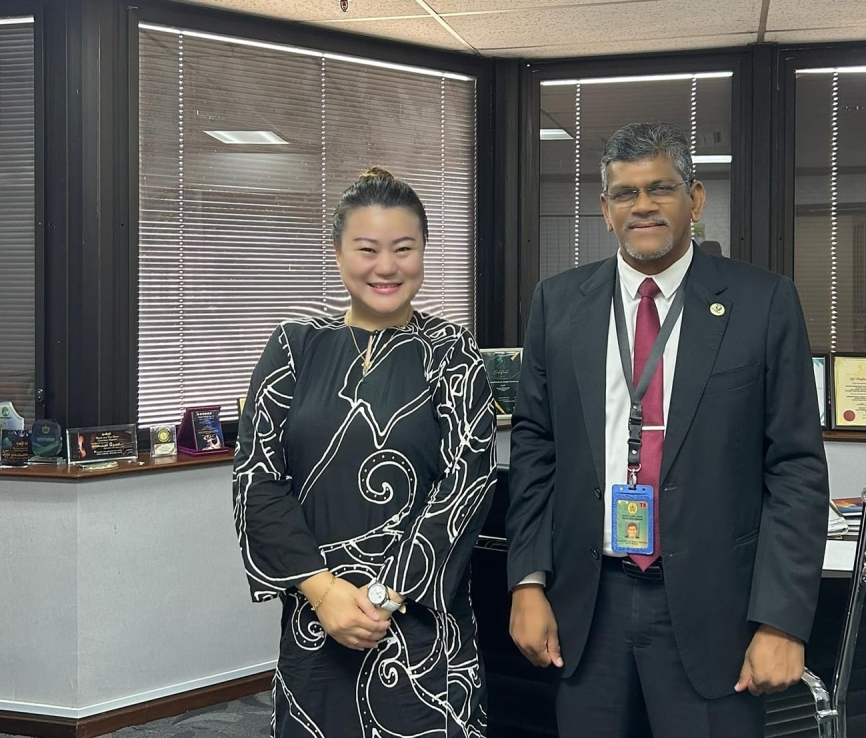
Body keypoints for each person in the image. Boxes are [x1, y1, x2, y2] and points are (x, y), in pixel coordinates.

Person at [506, 122, 829, 737]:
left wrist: (782, 621)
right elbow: (534, 448)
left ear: (695, 198)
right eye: (625, 193)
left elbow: (796, 468)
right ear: (605, 210)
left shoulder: (763, 304)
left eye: (661, 188)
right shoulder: (558, 304)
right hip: (587, 608)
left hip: (716, 616)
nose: (644, 205)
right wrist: (527, 581)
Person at [233, 167, 497, 737]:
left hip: (422, 622)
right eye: (367, 248)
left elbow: (467, 484)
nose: (386, 267)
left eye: (404, 249)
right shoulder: (294, 346)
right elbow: (258, 479)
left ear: (424, 252)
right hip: (315, 619)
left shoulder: (452, 352)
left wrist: (382, 596)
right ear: (337, 252)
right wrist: (324, 593)